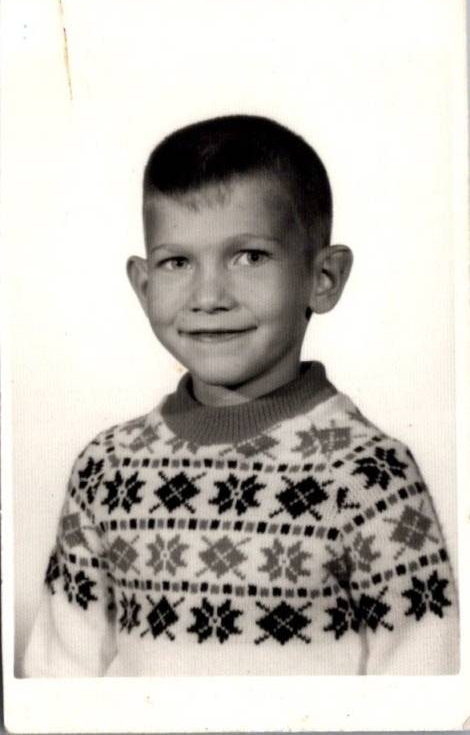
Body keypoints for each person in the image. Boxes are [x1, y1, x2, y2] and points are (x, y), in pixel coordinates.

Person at [23, 115, 459, 677]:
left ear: (323, 278)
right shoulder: (106, 470)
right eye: (178, 262)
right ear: (144, 285)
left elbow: (425, 686)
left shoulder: (367, 476)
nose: (209, 296)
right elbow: (58, 682)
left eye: (249, 256)